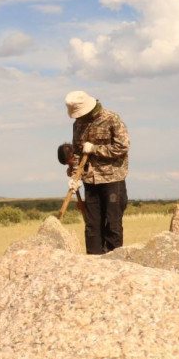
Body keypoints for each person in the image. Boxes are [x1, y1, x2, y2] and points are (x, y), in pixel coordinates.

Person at [64, 91, 129, 255]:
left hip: (112, 179)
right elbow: (78, 152)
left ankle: (114, 261)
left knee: (113, 223)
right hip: (90, 180)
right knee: (92, 225)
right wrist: (75, 176)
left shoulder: (111, 119)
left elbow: (122, 147)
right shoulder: (77, 124)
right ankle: (93, 261)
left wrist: (95, 149)